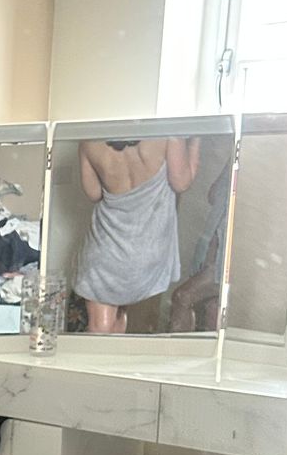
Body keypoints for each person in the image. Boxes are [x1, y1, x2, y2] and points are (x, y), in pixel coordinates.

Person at [73, 136, 200, 334]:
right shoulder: (167, 134)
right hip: (146, 252)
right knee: (121, 328)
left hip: (105, 248)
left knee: (100, 332)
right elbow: (181, 182)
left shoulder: (90, 141)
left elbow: (93, 192)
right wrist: (196, 139)